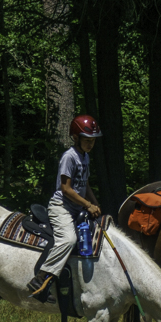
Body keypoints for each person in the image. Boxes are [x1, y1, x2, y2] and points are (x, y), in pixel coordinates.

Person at [27, 114, 104, 301]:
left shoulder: (85, 157)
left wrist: (95, 204)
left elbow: (84, 185)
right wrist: (87, 205)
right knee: (68, 239)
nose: (90, 144)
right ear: (75, 138)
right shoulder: (69, 157)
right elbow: (66, 188)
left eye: (93, 141)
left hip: (78, 207)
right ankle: (41, 279)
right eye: (87, 140)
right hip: (62, 206)